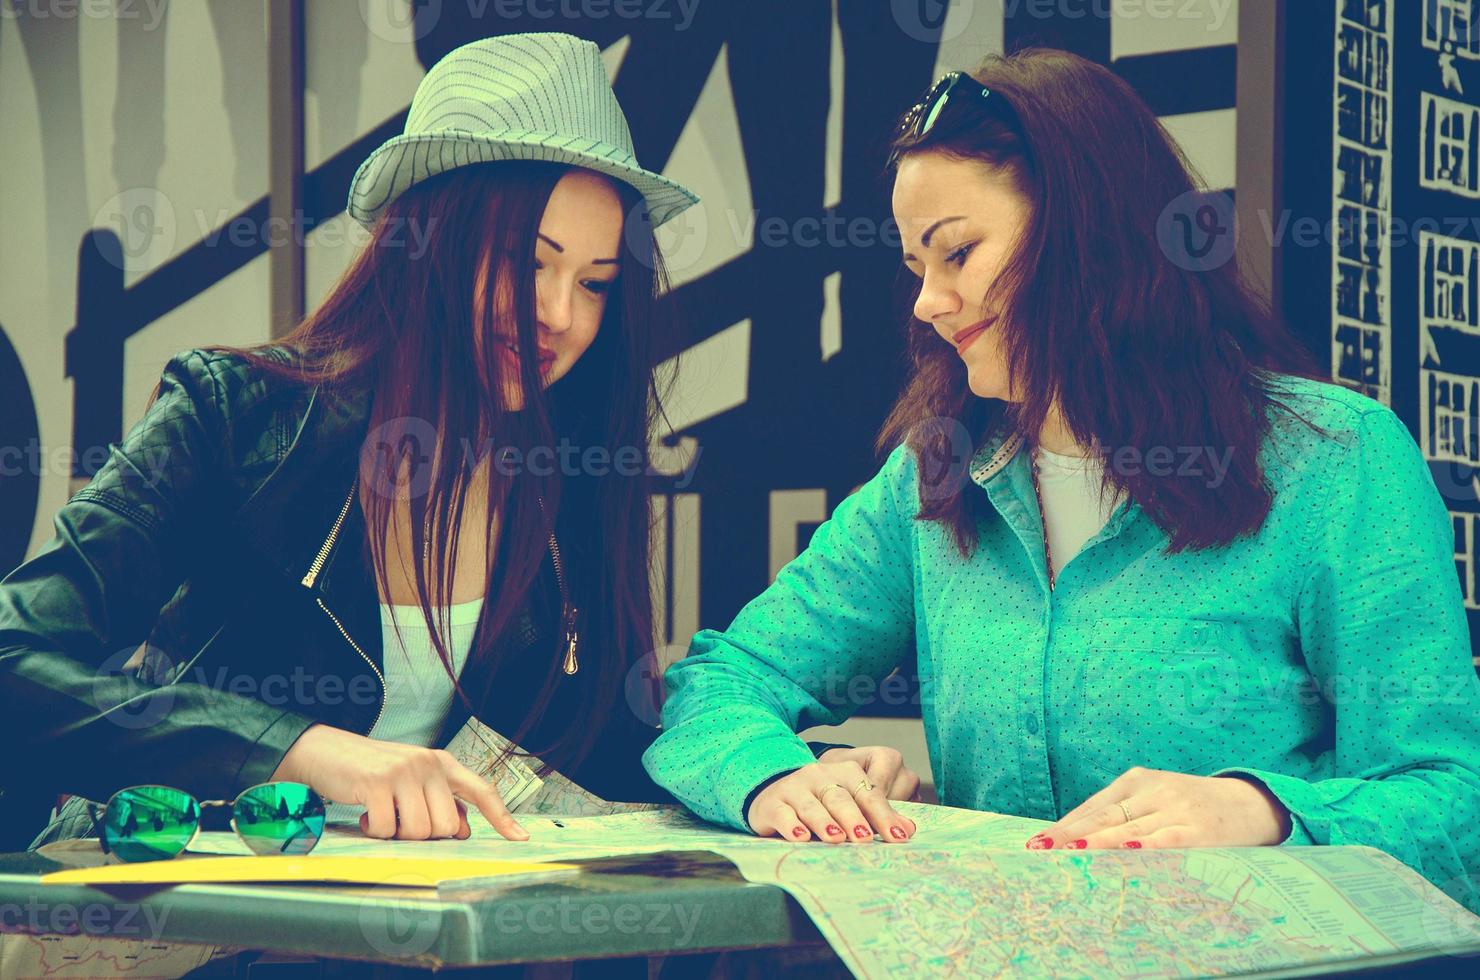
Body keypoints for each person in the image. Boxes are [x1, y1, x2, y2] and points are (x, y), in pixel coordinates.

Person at [0, 32, 914, 850]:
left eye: (595, 284)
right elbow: (14, 664)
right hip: (185, 930)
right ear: (431, 241)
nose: (559, 314)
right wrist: (308, 753)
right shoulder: (234, 414)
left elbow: (604, 744)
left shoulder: (566, 474)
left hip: (408, 945)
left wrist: (791, 773)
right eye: (529, 262)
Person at [642, 47, 1480, 909]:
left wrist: (1260, 809)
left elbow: (1455, 805)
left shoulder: (1333, 457)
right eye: (915, 269)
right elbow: (719, 682)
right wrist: (777, 777)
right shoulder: (934, 478)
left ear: (1088, 229)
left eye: (956, 253)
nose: (928, 302)